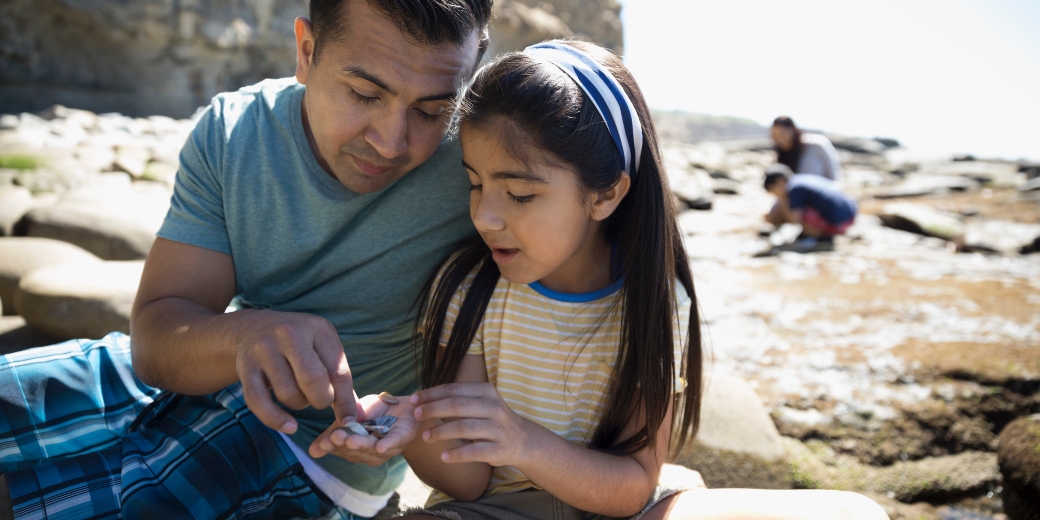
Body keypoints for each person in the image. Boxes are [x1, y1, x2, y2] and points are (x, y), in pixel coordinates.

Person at [330, 40, 887, 520]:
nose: (486, 216)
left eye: (520, 194)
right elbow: (470, 482)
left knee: (857, 512)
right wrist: (415, 431)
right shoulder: (470, 289)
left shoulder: (655, 301)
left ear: (606, 194)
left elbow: (632, 485)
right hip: (492, 510)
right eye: (475, 185)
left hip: (619, 506)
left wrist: (524, 440)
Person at [0, 1, 491, 518]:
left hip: (315, 458)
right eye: (364, 94)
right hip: (214, 363)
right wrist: (245, 334)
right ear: (306, 51)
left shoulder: (481, 167)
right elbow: (156, 339)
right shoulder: (235, 131)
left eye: (433, 110)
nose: (391, 142)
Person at [763, 164, 858, 252]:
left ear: (780, 182)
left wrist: (783, 202)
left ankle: (819, 237)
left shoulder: (794, 189)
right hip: (850, 213)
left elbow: (795, 220)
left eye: (773, 191)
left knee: (798, 211)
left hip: (839, 221)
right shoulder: (799, 180)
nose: (775, 196)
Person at [771, 116, 842, 181]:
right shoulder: (781, 155)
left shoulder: (816, 145)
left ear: (792, 130)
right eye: (775, 135)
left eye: (782, 133)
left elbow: (833, 174)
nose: (779, 139)